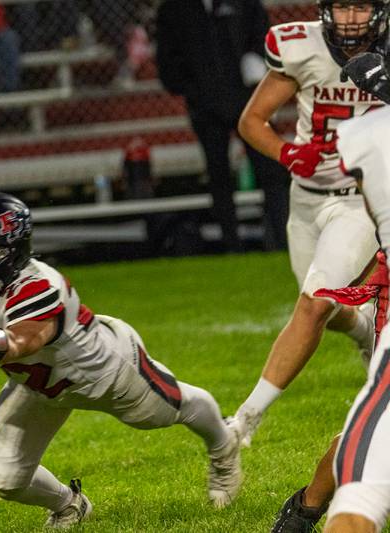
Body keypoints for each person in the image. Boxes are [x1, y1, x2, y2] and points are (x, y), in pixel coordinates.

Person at [0, 191, 243, 527]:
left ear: (4, 257)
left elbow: (25, 339)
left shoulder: (38, 285)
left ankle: (224, 444)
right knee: (6, 478)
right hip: (38, 386)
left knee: (174, 408)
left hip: (104, 373)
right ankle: (71, 505)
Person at [231, 0, 385, 451]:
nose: (350, 18)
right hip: (305, 202)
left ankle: (243, 421)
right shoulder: (302, 46)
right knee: (325, 312)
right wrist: (287, 153)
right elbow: (251, 120)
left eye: (361, 7)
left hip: (361, 202)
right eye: (341, 6)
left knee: (314, 303)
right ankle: (362, 328)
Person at [271, 44, 390, 533]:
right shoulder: (369, 138)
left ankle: (307, 508)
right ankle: (308, 506)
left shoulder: (364, 137)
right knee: (373, 436)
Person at [155, 0, 290, 253]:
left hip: (249, 102)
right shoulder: (175, 9)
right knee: (218, 175)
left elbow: (264, 37)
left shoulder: (244, 3)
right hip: (205, 106)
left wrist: (256, 64)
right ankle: (232, 246)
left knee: (270, 171)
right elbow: (167, 60)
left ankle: (282, 240)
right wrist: (193, 89)